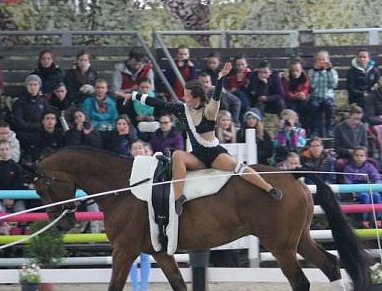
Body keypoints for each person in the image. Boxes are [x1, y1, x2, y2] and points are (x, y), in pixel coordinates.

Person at [120, 62, 282, 216]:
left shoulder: (209, 111)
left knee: (236, 166)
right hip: (197, 155)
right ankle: (178, 198)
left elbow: (216, 97)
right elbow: (158, 103)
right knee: (177, 155)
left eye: (187, 96)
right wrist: (134, 95)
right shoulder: (182, 109)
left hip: (214, 154)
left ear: (197, 97)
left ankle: (269, 188)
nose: (183, 98)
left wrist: (221, 78)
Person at [128, 140, 152, 291]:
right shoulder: (126, 167)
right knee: (129, 252)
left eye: (139, 148)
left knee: (145, 253)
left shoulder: (150, 166)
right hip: (130, 213)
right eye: (134, 148)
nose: (137, 150)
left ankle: (144, 288)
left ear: (145, 151)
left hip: (147, 211)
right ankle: (135, 288)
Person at [343, 146, 382, 229]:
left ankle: (378, 219)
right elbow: (348, 182)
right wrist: (354, 188)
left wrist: (377, 184)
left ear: (365, 157)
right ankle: (364, 220)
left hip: (369, 188)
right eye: (357, 155)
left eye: (361, 155)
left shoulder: (369, 167)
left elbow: (377, 177)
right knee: (365, 196)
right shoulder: (348, 168)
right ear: (353, 156)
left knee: (376, 195)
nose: (359, 157)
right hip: (356, 191)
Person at [11, 74, 50, 152]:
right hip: (24, 133)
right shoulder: (19, 102)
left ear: (39, 86)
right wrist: (36, 126)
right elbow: (19, 122)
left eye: (35, 85)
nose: (33, 87)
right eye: (30, 85)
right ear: (26, 86)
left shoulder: (44, 102)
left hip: (40, 132)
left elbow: (46, 119)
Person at [308, 50, 338, 137]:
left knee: (329, 105)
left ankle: (329, 129)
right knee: (314, 106)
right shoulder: (311, 72)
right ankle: (316, 130)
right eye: (319, 60)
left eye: (323, 59)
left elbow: (333, 85)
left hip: (327, 97)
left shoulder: (332, 72)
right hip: (315, 96)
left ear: (328, 61)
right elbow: (312, 85)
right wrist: (316, 72)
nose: (321, 62)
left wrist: (328, 71)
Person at [0, 140, 27, 213]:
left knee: (21, 214)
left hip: (16, 199)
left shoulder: (17, 166)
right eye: (2, 149)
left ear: (10, 150)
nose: (5, 152)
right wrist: (3, 198)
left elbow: (20, 184)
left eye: (7, 149)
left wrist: (12, 198)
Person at [333, 105, 368, 170]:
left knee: (373, 162)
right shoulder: (339, 127)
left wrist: (359, 152)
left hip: (359, 155)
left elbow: (364, 145)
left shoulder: (362, 127)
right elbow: (337, 148)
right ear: (349, 115)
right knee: (339, 163)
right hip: (345, 156)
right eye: (354, 118)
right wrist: (349, 151)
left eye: (359, 119)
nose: (356, 122)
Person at [282, 58, 310, 128]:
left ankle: (304, 128)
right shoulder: (286, 79)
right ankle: (292, 126)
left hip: (301, 98)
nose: (295, 73)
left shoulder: (305, 78)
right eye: (293, 71)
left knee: (304, 104)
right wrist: (294, 96)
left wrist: (302, 94)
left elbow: (306, 88)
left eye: (297, 71)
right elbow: (286, 91)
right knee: (292, 107)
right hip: (289, 99)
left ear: (301, 70)